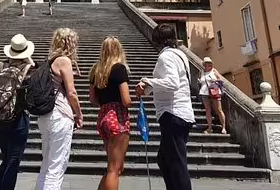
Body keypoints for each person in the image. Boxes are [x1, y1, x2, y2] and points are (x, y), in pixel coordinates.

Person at [136, 24, 195, 190]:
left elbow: (172, 83)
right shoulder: (180, 55)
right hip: (182, 113)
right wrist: (147, 89)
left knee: (176, 164)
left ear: (157, 41)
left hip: (173, 113)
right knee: (164, 159)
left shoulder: (166, 57)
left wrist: (147, 81)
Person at [35, 28, 83, 190]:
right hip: (60, 115)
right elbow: (72, 92)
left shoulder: (51, 61)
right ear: (70, 43)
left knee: (47, 163)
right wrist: (79, 113)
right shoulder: (64, 61)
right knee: (57, 167)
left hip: (45, 116)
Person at [0, 34, 36, 190]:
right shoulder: (28, 68)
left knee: (6, 159)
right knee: (13, 160)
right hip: (18, 117)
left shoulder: (1, 65)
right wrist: (28, 59)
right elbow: (37, 73)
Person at [89, 37, 132, 190]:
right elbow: (126, 100)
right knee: (114, 169)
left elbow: (92, 99)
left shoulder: (96, 70)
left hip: (104, 115)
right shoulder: (119, 68)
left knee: (115, 167)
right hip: (117, 115)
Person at [199, 57, 226, 134]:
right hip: (204, 92)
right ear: (204, 64)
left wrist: (215, 80)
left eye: (209, 63)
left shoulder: (214, 70)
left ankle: (223, 127)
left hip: (214, 91)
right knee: (208, 110)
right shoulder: (202, 72)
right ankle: (209, 128)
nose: (207, 65)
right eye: (206, 63)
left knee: (219, 110)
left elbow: (221, 79)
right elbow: (202, 81)